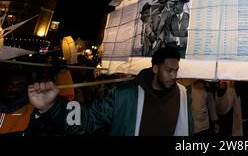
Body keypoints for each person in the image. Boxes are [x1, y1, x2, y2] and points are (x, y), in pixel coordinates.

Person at [26, 45, 189, 136]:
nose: (174, 75)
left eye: (176, 70)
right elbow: (88, 118)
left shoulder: (182, 94)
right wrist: (52, 108)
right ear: (155, 68)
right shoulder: (127, 94)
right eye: (169, 70)